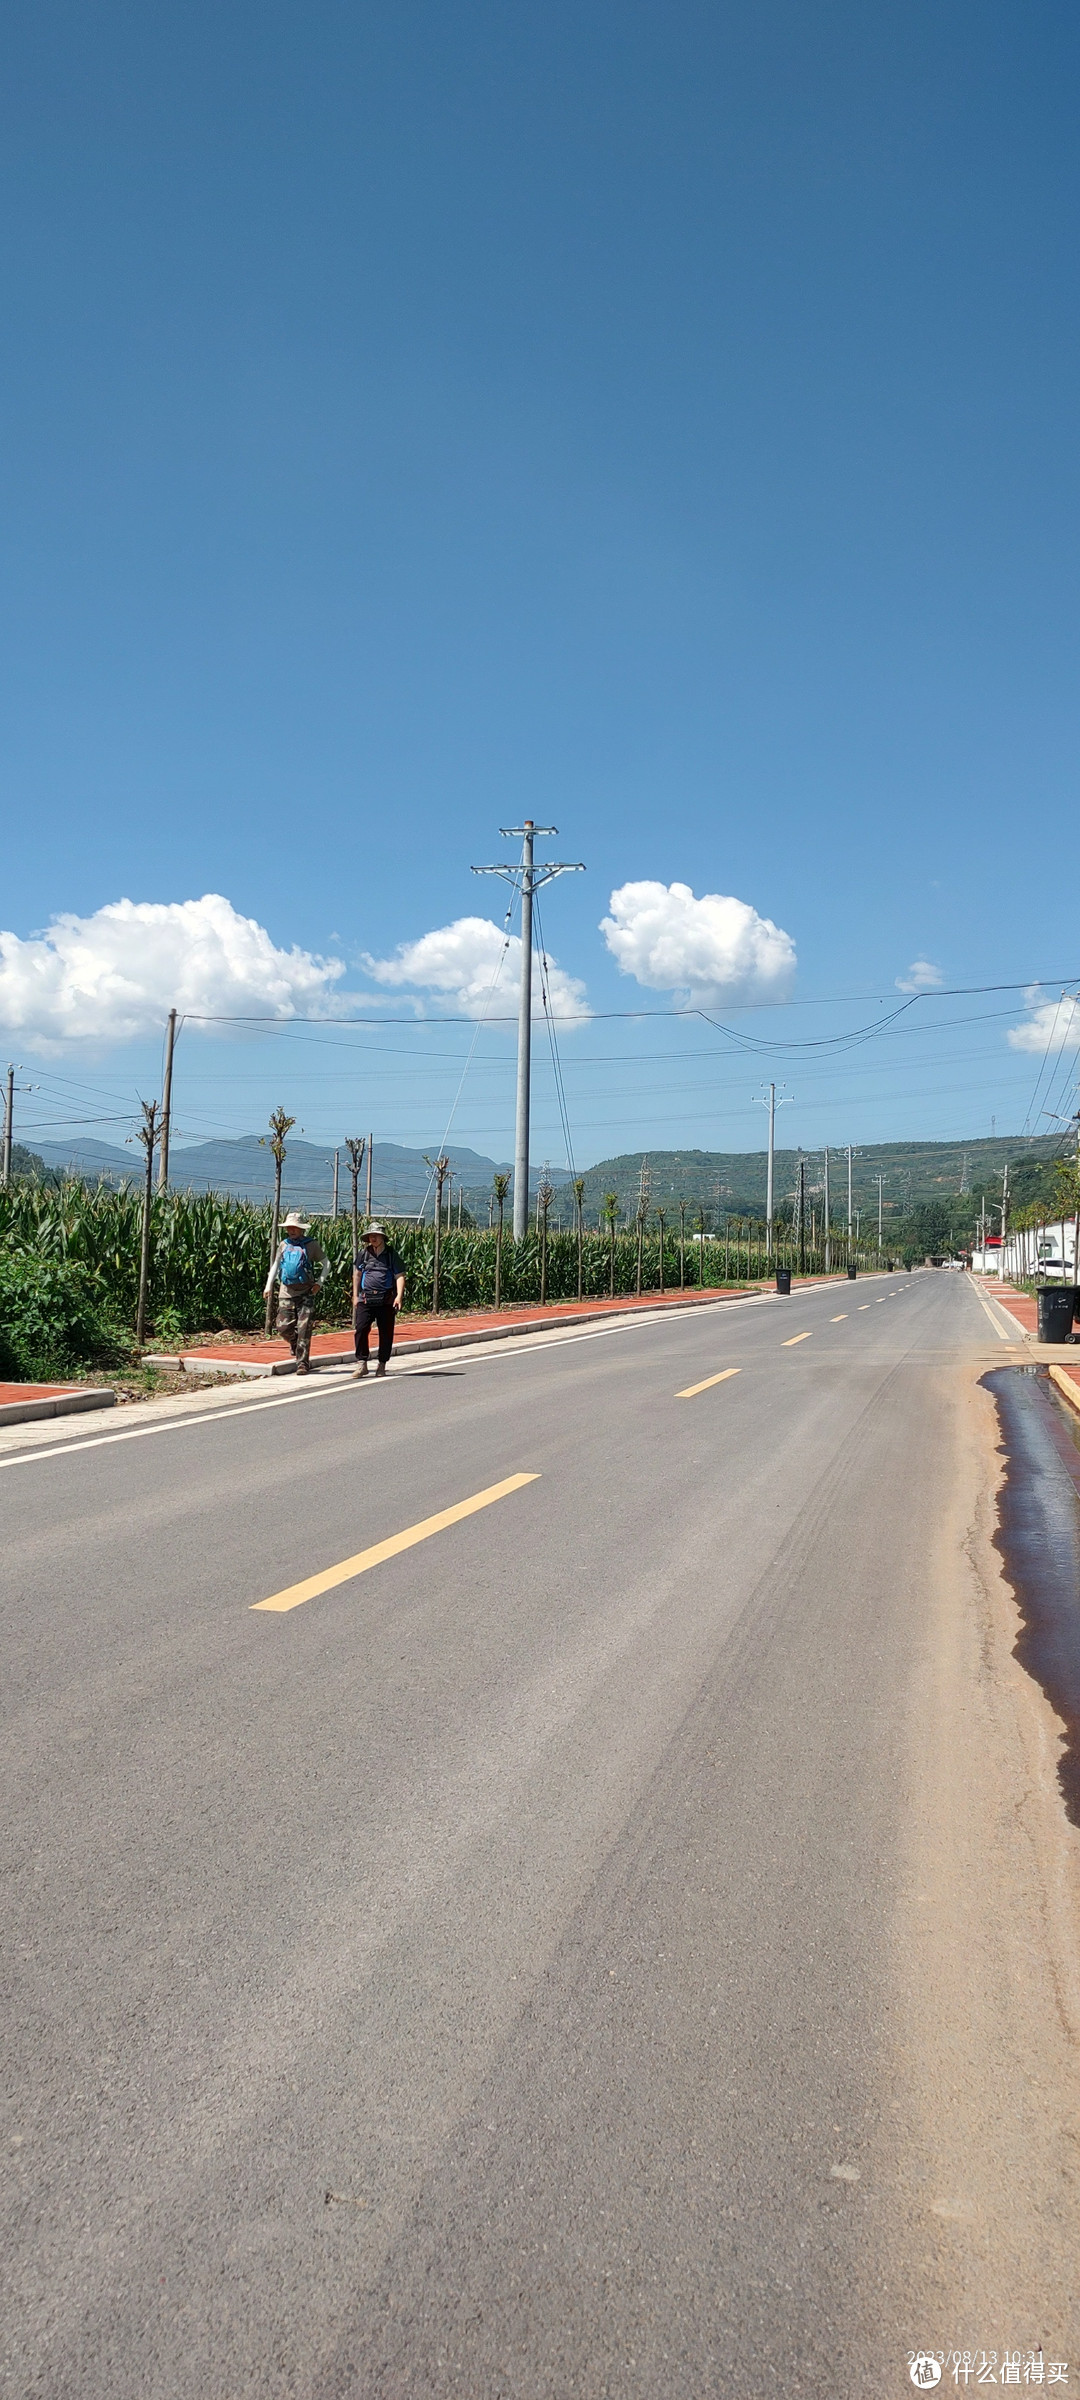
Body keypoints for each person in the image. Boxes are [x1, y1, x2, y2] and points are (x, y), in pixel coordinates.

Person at [263, 1211, 328, 1375]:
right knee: (283, 1327)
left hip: (306, 1292)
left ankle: (302, 1364)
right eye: (289, 1227)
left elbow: (326, 1263)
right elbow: (276, 1265)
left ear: (302, 1229)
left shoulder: (312, 1245)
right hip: (286, 1291)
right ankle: (294, 1343)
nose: (291, 1230)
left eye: (295, 1228)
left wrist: (319, 1283)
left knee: (304, 1329)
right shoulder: (284, 1244)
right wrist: (269, 1285)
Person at [352, 1223, 406, 1378]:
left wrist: (399, 1296)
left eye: (376, 1235)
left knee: (386, 1332)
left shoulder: (391, 1255)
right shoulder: (364, 1254)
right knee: (361, 1329)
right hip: (366, 1299)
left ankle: (382, 1364)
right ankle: (362, 1363)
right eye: (370, 1235)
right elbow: (357, 1274)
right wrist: (355, 1296)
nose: (373, 1238)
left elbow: (400, 1276)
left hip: (386, 1299)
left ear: (382, 1237)